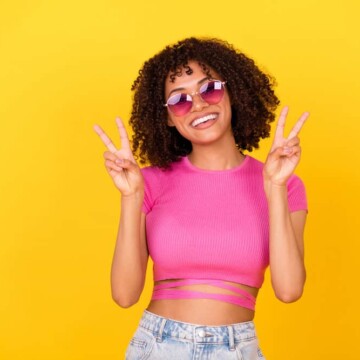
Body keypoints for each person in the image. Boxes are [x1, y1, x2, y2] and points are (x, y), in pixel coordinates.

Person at [94, 37, 309, 360]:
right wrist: (132, 196)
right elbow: (124, 295)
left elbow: (289, 290)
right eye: (179, 100)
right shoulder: (148, 182)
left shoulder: (285, 185)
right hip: (158, 345)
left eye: (210, 89)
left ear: (231, 92)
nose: (198, 104)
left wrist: (275, 187)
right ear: (167, 117)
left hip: (238, 350)